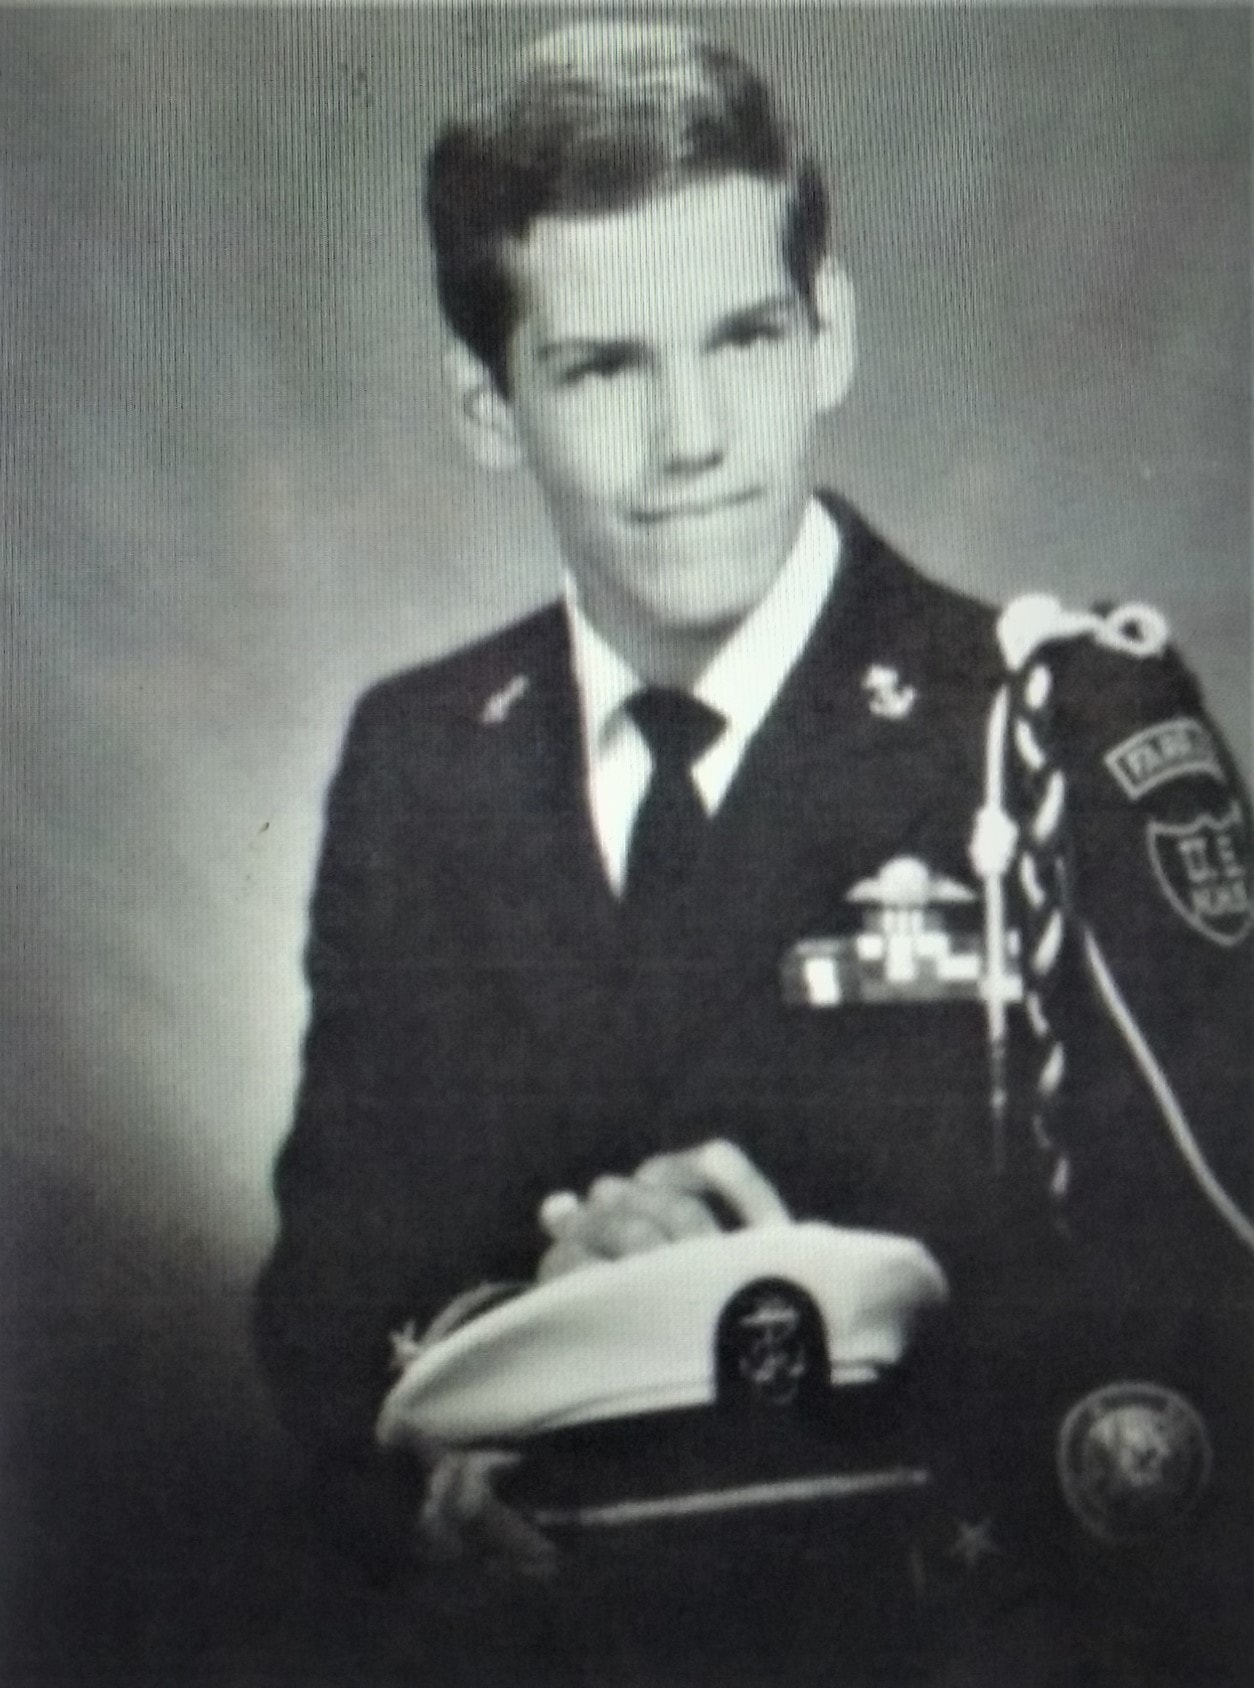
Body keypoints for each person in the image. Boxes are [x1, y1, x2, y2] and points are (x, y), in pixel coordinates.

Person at [254, 21, 1252, 1686]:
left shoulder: (1053, 729)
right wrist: (501, 1353)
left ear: (827, 334)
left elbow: (1223, 1309)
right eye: (603, 368)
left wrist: (766, 1331)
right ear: (488, 405)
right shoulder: (421, 759)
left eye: (743, 337)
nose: (694, 436)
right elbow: (328, 1304)